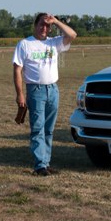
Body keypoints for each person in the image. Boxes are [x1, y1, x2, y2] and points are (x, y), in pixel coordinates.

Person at [13, 13, 77, 176]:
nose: (44, 28)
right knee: (38, 128)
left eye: (47, 26)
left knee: (49, 129)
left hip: (53, 89)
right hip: (35, 90)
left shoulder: (53, 42)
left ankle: (46, 163)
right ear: (35, 25)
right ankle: (40, 165)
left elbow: (72, 35)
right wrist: (20, 94)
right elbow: (17, 70)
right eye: (41, 24)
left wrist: (56, 21)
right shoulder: (25, 44)